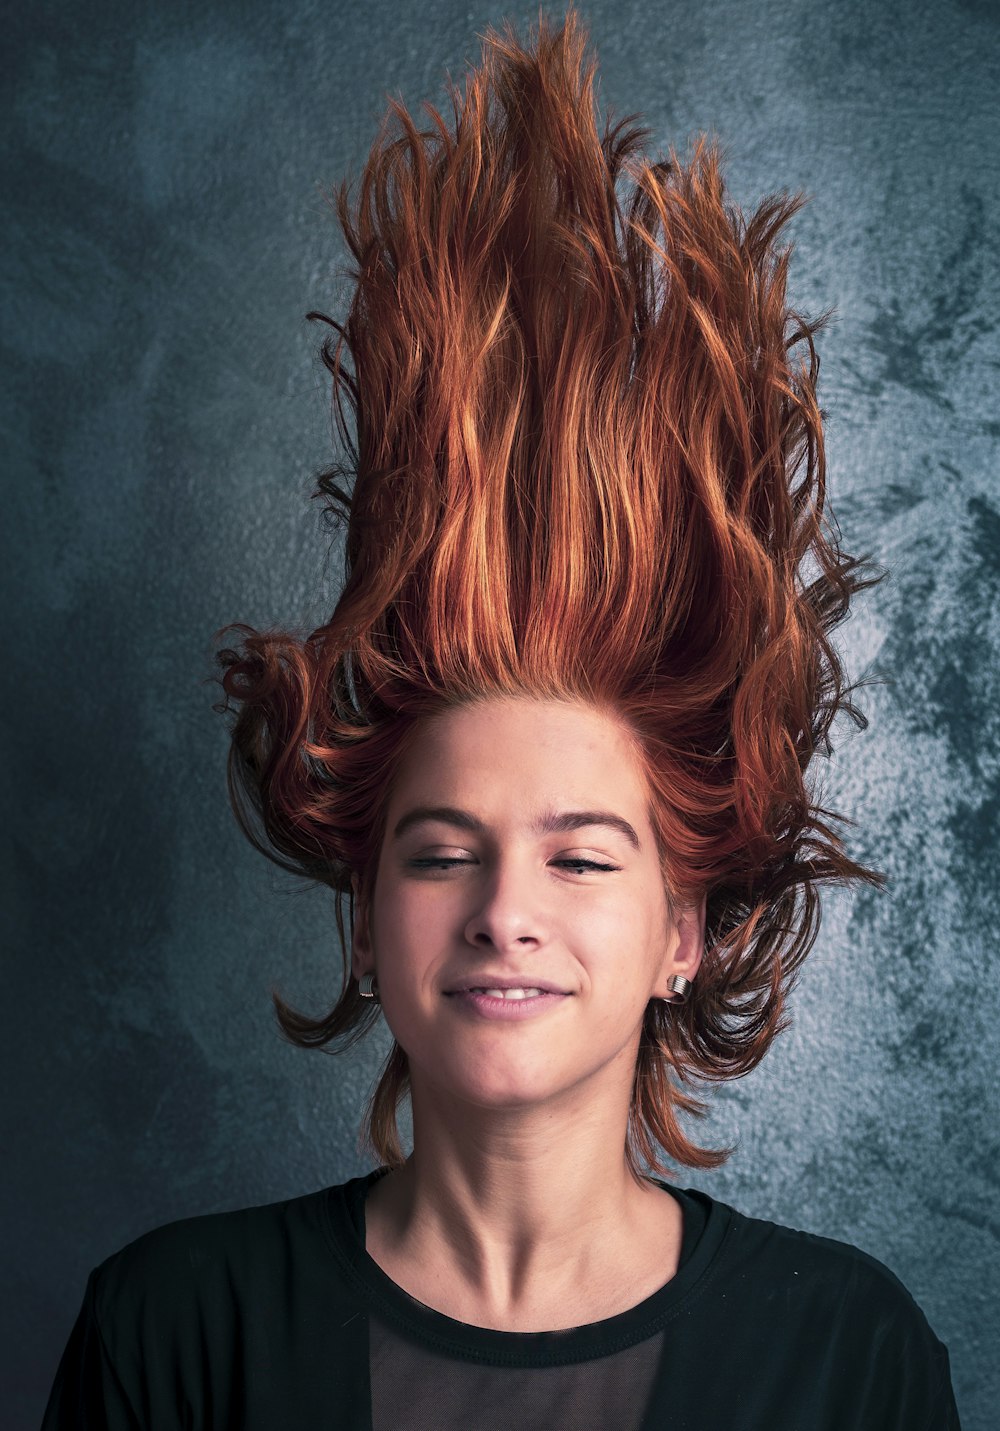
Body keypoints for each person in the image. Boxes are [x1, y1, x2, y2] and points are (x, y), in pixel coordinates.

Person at [42, 6, 962, 1427]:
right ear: (361, 912)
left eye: (583, 855)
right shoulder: (171, 1331)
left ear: (682, 930)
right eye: (440, 851)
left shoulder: (851, 1354)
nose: (503, 912)